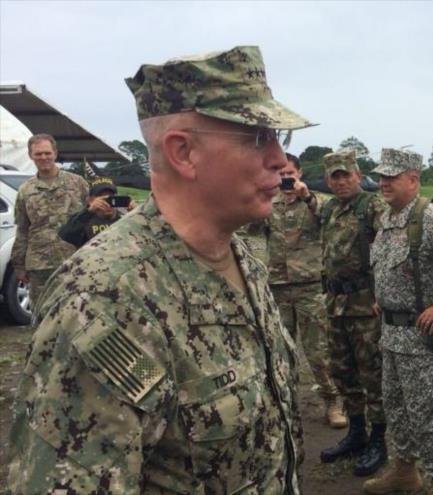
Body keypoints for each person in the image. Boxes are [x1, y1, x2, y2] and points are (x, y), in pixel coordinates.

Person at [6, 45, 312, 493]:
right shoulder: (104, 299)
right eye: (256, 137)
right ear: (183, 152)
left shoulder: (242, 259)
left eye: (277, 139)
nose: (279, 160)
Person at [364, 148, 433, 495]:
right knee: (395, 408)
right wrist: (381, 299)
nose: (383, 183)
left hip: (423, 338)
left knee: (428, 413)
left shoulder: (430, 218)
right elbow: (388, 267)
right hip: (392, 335)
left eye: (390, 177)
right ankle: (405, 471)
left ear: (413, 179)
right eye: (380, 176)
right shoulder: (388, 219)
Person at [319, 149, 388, 476]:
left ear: (358, 175)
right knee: (343, 372)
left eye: (346, 174)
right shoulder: (331, 209)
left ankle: (379, 438)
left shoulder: (372, 207)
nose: (342, 181)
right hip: (336, 306)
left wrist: (383, 293)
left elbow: (390, 246)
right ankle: (357, 432)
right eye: (335, 176)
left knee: (372, 373)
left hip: (365, 306)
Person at [268, 152, 347, 429]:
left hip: (310, 287)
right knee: (280, 351)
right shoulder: (269, 203)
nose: (285, 178)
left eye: (290, 173)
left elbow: (331, 220)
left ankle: (332, 401)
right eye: (280, 173)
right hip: (276, 287)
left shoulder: (316, 202)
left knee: (319, 352)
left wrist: (307, 197)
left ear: (299, 174)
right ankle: (285, 406)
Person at [12, 133, 88, 310]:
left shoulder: (78, 183)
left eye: (47, 153)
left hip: (75, 260)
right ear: (31, 155)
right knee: (43, 314)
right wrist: (19, 265)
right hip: (40, 265)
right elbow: (22, 229)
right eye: (38, 154)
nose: (43, 157)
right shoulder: (25, 190)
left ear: (55, 153)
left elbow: (90, 220)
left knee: (76, 313)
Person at [58, 176, 134, 248]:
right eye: (101, 197)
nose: (107, 202)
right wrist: (88, 211)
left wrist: (138, 213)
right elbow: (65, 236)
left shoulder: (124, 218)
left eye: (110, 197)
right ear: (90, 200)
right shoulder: (83, 219)